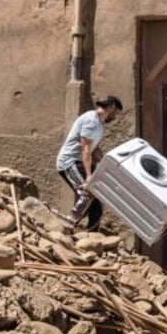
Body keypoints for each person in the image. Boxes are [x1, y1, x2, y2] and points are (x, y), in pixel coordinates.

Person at [56, 95, 123, 232]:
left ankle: (91, 234)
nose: (115, 118)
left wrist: (106, 162)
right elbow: (85, 149)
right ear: (111, 107)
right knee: (88, 192)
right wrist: (88, 176)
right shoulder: (91, 120)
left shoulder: (99, 124)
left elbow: (94, 149)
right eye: (116, 113)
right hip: (70, 162)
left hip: (80, 162)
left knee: (96, 203)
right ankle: (69, 223)